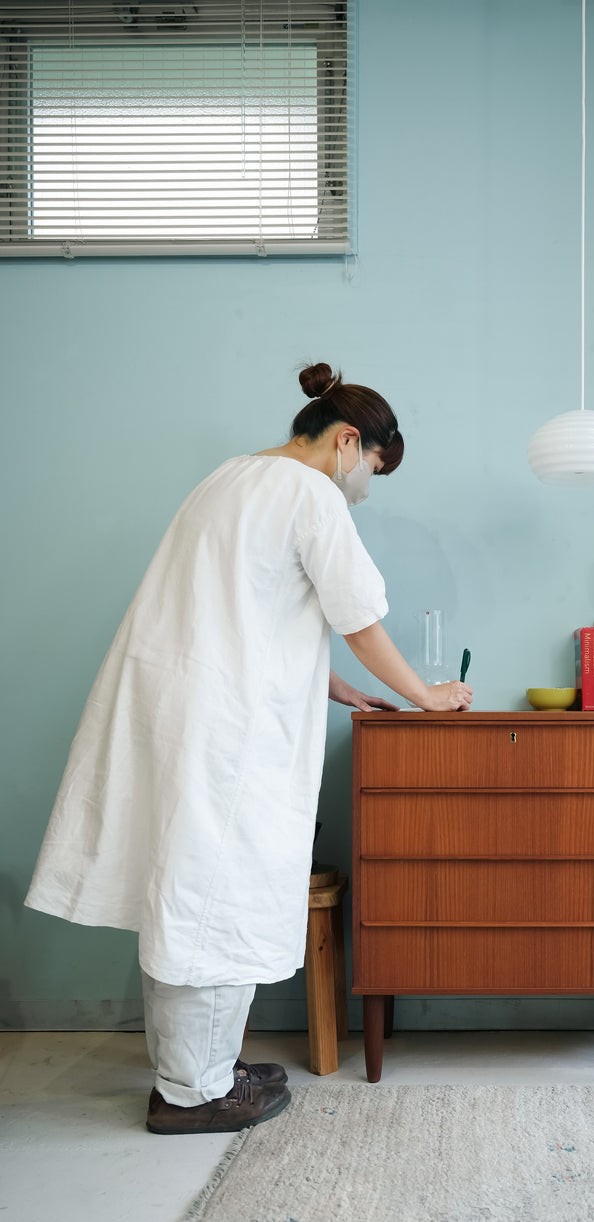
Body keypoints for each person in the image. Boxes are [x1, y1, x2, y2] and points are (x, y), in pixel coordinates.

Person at [25, 362, 473, 1134]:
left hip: (182, 707)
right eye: (370, 466)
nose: (365, 484)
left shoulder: (230, 477)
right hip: (225, 726)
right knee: (213, 895)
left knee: (187, 890)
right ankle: (191, 1092)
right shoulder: (310, 494)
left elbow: (244, 606)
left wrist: (329, 685)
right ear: (345, 441)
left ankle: (198, 1071)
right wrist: (429, 696)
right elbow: (359, 616)